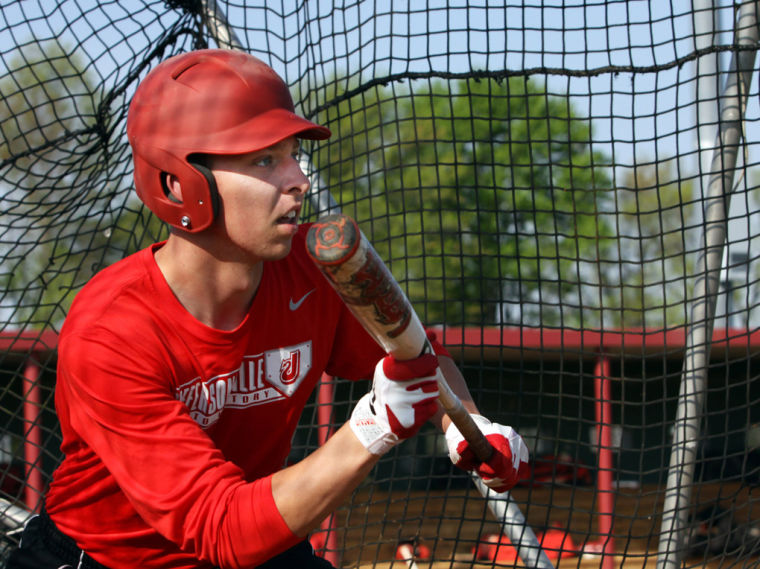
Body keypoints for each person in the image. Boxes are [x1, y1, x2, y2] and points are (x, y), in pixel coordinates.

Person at [8, 49, 529, 569]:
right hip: (112, 559)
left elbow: (421, 359)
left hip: (257, 536)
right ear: (177, 184)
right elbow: (221, 529)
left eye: (291, 155)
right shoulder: (112, 329)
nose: (298, 180)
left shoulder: (314, 269)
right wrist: (373, 426)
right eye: (264, 160)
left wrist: (470, 425)